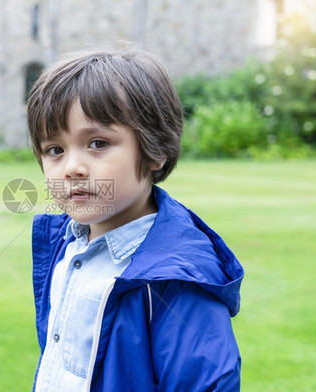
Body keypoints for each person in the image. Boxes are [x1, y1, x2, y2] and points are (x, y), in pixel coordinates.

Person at [26, 45, 244, 392]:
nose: (72, 168)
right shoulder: (64, 247)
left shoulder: (176, 279)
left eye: (97, 143)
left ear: (155, 148)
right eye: (55, 150)